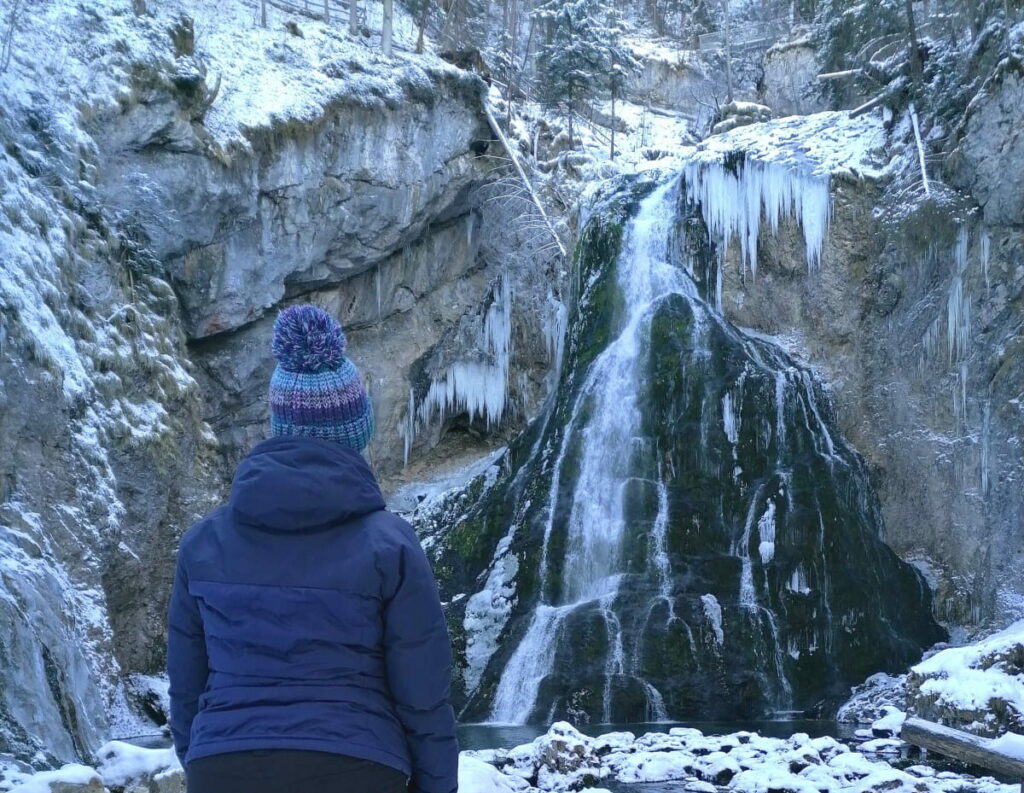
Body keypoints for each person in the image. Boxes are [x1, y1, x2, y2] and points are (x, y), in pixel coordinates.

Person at [167, 305, 459, 793]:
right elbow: (423, 692)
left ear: (278, 425)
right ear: (357, 432)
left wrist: (205, 759)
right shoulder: (390, 544)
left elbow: (186, 687)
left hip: (224, 765)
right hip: (358, 764)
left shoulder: (203, 543)